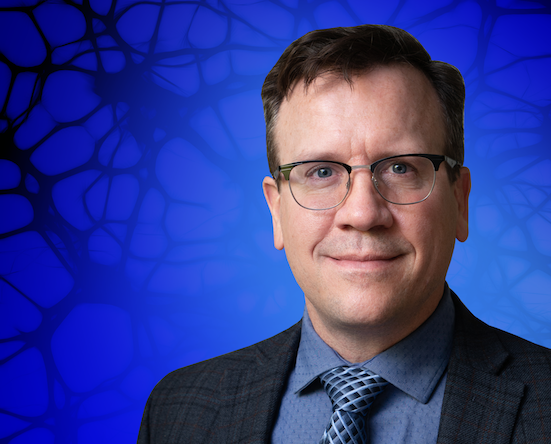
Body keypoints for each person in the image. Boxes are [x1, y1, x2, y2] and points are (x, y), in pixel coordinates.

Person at [138, 24, 551, 443]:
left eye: (400, 167)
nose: (363, 213)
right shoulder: (178, 411)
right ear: (276, 210)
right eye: (321, 171)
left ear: (459, 202)